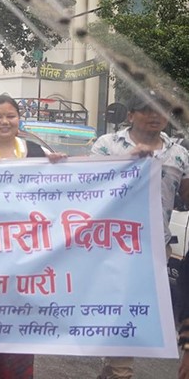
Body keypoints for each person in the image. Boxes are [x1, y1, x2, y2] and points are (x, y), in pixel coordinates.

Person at [0, 94, 63, 378]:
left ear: (19, 120)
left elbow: (58, 198)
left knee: (20, 342)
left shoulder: (35, 153)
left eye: (10, 116)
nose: (4, 121)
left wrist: (61, 167)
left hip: (27, 266)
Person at [90, 91, 189, 379]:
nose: (156, 115)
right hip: (110, 245)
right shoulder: (107, 145)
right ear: (131, 115)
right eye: (146, 110)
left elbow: (184, 199)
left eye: (162, 110)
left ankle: (114, 368)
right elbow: (88, 186)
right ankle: (121, 371)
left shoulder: (179, 154)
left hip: (156, 247)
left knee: (135, 310)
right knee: (118, 307)